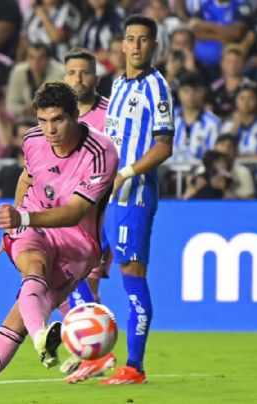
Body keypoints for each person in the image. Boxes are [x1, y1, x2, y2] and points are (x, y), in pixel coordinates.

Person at [0, 81, 118, 404]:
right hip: (33, 222)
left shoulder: (102, 152)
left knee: (14, 325)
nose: (49, 130)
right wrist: (15, 222)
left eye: (57, 120)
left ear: (75, 116)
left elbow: (75, 212)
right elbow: (27, 177)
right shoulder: (32, 140)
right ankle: (39, 337)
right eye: (42, 121)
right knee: (34, 266)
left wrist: (22, 220)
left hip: (78, 244)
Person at [96, 15, 174, 385]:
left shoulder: (157, 87)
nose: (138, 45)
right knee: (82, 267)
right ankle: (94, 350)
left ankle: (135, 366)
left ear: (154, 45)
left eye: (145, 39)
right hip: (106, 197)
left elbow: (164, 146)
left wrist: (126, 172)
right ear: (123, 45)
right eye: (131, 39)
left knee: (132, 276)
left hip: (134, 197)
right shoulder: (118, 84)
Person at [58, 46, 116, 380]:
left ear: (96, 77)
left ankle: (92, 353)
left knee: (75, 277)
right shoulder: (59, 117)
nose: (77, 79)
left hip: (100, 212)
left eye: (84, 73)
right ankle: (91, 352)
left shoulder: (110, 115)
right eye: (71, 73)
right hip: (68, 213)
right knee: (74, 282)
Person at [176, 0, 251, 81]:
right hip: (199, 62)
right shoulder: (206, 5)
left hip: (223, 66)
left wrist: (206, 26)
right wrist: (220, 35)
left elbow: (236, 33)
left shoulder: (239, 5)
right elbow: (196, 30)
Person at [5, 43, 64, 117]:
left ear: (49, 59)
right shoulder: (18, 71)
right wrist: (24, 110)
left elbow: (61, 105)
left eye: (41, 58)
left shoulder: (61, 73)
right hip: (25, 117)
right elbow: (10, 104)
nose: (36, 63)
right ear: (27, 59)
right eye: (32, 58)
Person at [172, 71, 220, 161]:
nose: (191, 95)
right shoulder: (168, 118)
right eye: (186, 91)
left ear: (204, 93)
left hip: (202, 173)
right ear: (179, 92)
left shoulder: (213, 123)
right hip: (167, 172)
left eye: (196, 91)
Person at [221, 84, 257, 158]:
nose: (246, 102)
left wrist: (244, 160)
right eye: (242, 98)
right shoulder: (228, 125)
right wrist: (235, 126)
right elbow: (224, 152)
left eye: (251, 98)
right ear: (235, 101)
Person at [209, 44, 255, 119]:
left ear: (244, 64)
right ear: (222, 63)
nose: (233, 65)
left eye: (237, 61)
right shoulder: (214, 87)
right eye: (229, 61)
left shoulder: (251, 86)